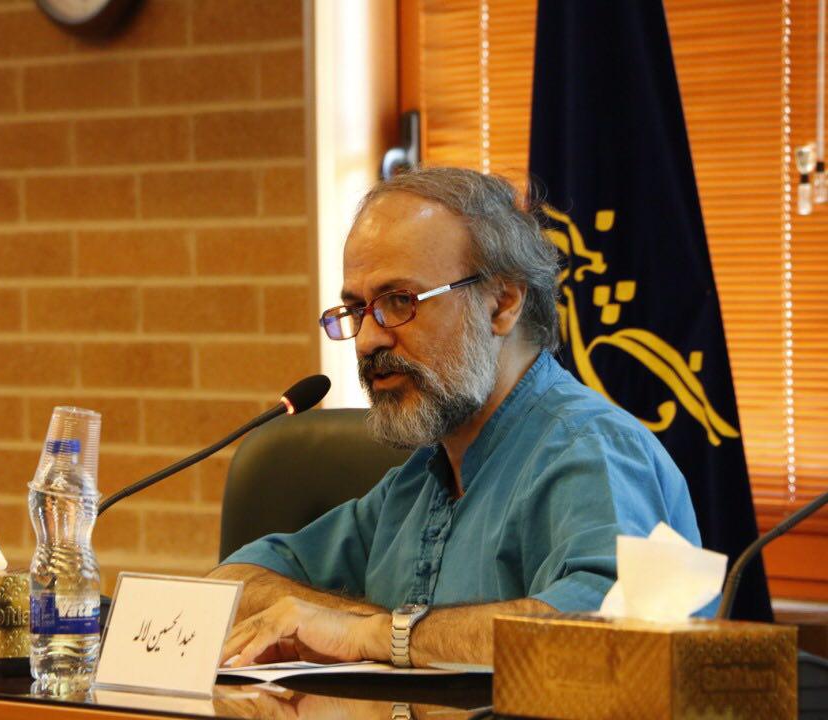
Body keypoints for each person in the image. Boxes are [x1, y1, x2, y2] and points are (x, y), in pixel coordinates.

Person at [210, 167, 702, 668]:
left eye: (399, 301)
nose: (367, 340)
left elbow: (614, 638)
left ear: (501, 304)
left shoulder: (592, 450)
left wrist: (377, 635)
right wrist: (357, 623)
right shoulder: (419, 481)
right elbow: (231, 586)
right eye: (356, 309)